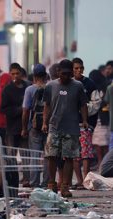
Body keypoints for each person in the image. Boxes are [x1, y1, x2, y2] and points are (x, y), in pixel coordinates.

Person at [43, 59, 88, 197]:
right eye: (63, 74)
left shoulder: (78, 86)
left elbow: (83, 105)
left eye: (69, 74)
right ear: (58, 72)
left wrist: (85, 120)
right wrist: (45, 122)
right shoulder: (50, 86)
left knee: (69, 158)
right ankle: (52, 183)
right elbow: (47, 105)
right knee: (51, 156)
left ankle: (65, 186)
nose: (66, 77)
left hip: (71, 127)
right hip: (54, 126)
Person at [1, 63, 29, 186]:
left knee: (26, 156)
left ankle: (27, 179)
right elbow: (3, 109)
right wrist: (20, 110)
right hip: (12, 128)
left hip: (25, 128)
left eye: (17, 73)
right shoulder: (7, 89)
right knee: (11, 157)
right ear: (10, 74)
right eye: (13, 74)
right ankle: (12, 180)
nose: (15, 76)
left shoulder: (27, 87)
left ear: (21, 73)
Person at [21, 63, 49, 187]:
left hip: (34, 126)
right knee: (49, 156)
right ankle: (47, 182)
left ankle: (34, 183)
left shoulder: (30, 90)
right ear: (45, 75)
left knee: (35, 156)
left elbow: (26, 110)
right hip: (49, 126)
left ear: (34, 76)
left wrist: (24, 128)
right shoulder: (51, 87)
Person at [72, 58, 98, 188]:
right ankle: (79, 180)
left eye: (80, 68)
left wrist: (84, 110)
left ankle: (86, 180)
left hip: (85, 125)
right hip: (70, 125)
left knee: (85, 154)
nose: (79, 70)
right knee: (75, 155)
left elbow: (96, 103)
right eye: (76, 68)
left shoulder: (90, 84)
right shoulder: (67, 84)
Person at [90, 70, 110, 170]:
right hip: (99, 119)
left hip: (104, 119)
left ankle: (104, 163)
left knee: (104, 143)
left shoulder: (105, 87)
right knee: (98, 142)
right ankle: (101, 162)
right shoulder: (98, 88)